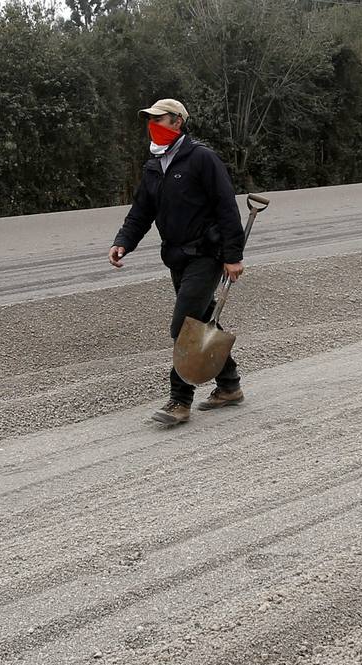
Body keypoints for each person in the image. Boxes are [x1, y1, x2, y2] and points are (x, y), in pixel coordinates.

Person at [109, 98, 247, 427]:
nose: (152, 124)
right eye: (150, 119)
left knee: (183, 324)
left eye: (160, 119)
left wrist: (233, 256)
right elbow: (142, 211)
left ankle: (180, 401)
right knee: (200, 319)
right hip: (176, 256)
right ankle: (229, 385)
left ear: (178, 123)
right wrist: (123, 242)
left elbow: (226, 206)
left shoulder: (201, 158)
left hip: (206, 255)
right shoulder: (155, 165)